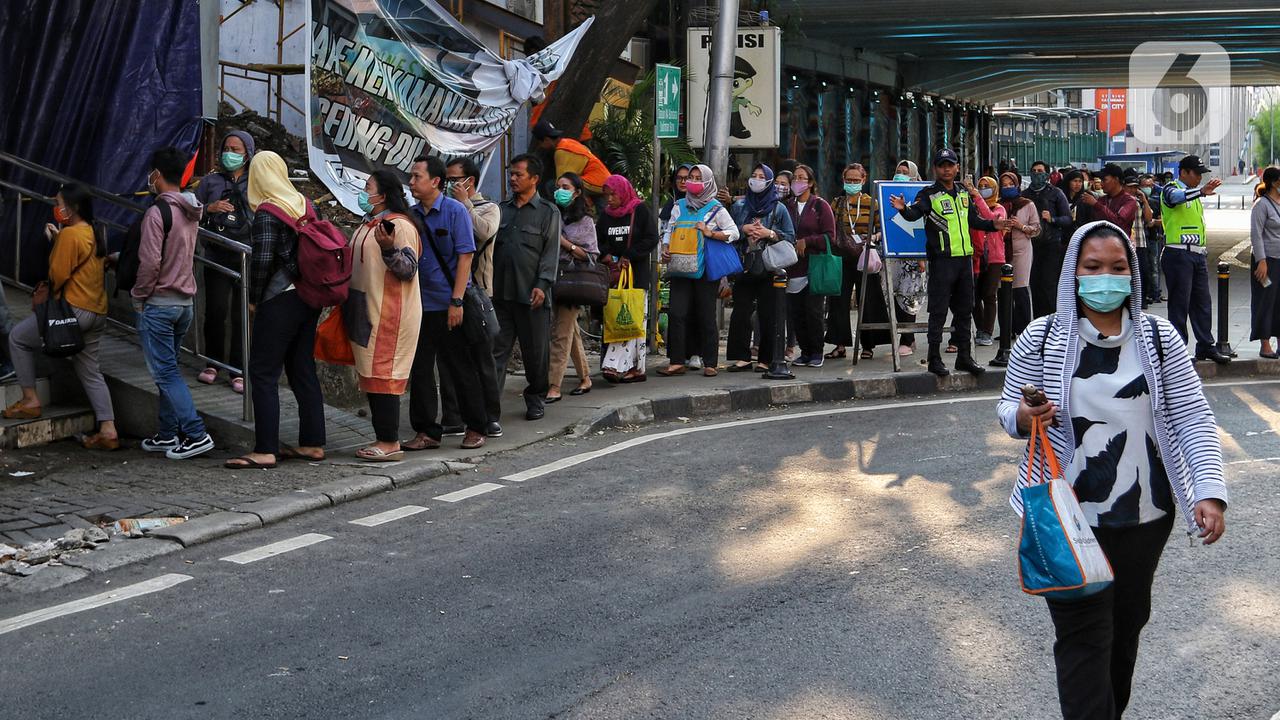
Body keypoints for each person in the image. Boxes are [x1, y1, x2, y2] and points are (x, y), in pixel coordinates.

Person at [997, 220, 1227, 720]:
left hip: (1145, 517)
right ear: (1073, 274)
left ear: (1133, 273)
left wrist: (1209, 489)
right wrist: (1022, 415)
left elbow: (1192, 415)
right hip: (1067, 517)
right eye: (1093, 267)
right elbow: (1007, 411)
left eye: (1118, 267)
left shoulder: (1159, 338)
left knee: (1124, 634)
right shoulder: (1040, 339)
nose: (1106, 277)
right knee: (1083, 638)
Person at [224, 151, 325, 469]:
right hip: (309, 295)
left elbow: (263, 260)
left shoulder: (268, 210)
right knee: (302, 368)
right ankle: (312, 443)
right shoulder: (305, 204)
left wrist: (254, 299)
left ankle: (265, 448)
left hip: (280, 297)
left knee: (262, 372)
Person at [3, 184, 118, 450]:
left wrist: (56, 243)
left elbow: (57, 275)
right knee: (90, 371)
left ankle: (30, 399)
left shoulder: (70, 235)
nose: (58, 208)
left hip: (71, 311)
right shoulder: (94, 231)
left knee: (18, 338)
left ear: (72, 207)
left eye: (60, 203)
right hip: (96, 311)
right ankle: (108, 428)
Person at [891, 148, 1009, 376]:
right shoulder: (928, 194)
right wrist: (904, 209)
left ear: (957, 168)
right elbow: (915, 214)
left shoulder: (964, 194)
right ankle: (934, 358)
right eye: (942, 165)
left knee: (965, 311)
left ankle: (964, 357)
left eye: (950, 165)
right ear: (935, 169)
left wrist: (994, 225)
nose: (946, 169)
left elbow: (974, 220)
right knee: (938, 312)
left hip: (965, 261)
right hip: (942, 262)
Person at [131, 147, 216, 460]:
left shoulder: (157, 213)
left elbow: (150, 262)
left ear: (156, 174)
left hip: (160, 302)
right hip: (185, 302)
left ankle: (195, 433)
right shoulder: (191, 208)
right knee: (170, 369)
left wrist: (139, 295)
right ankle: (167, 433)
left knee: (165, 373)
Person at [400, 155, 489, 450]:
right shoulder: (411, 216)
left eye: (417, 177)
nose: (412, 182)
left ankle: (476, 426)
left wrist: (457, 301)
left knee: (460, 367)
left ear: (435, 182)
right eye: (411, 177)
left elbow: (466, 256)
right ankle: (426, 431)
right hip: (419, 306)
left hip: (449, 304)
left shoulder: (454, 212)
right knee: (422, 369)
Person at [347, 170, 421, 461]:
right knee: (372, 374)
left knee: (385, 374)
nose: (364, 191)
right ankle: (383, 437)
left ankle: (390, 442)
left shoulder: (399, 226)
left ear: (383, 194)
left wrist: (389, 249)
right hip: (365, 307)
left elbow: (408, 269)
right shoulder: (369, 224)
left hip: (391, 311)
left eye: (368, 187)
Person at [492, 153, 562, 420]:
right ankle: (490, 408)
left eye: (518, 174)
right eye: (511, 174)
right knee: (496, 352)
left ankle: (535, 397)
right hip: (501, 295)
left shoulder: (547, 213)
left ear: (534, 179)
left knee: (536, 355)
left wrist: (543, 285)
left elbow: (550, 252)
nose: (512, 179)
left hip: (532, 296)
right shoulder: (502, 210)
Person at [441, 158, 504, 438]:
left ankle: (491, 417)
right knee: (449, 359)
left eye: (455, 179)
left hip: (477, 293)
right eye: (447, 180)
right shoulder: (442, 209)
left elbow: (484, 232)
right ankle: (454, 417)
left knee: (482, 359)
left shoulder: (488, 208)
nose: (450, 185)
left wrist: (465, 204)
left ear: (470, 182)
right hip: (447, 291)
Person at [660, 164, 739, 377]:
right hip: (679, 268)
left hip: (704, 270)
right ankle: (677, 361)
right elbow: (670, 230)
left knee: (706, 316)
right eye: (691, 177)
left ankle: (710, 362)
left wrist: (711, 233)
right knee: (676, 313)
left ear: (707, 182)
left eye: (697, 178)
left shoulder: (716, 209)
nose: (692, 181)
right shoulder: (678, 206)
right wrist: (665, 248)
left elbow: (734, 233)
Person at [193, 130, 254, 393]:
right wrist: (210, 208)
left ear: (248, 154)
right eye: (226, 148)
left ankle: (237, 369)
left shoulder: (257, 182)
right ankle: (212, 363)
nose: (230, 153)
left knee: (241, 314)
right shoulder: (210, 182)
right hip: (216, 253)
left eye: (236, 150)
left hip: (245, 256)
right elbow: (191, 209)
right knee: (215, 311)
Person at [1160, 155, 1230, 364]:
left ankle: (1205, 346)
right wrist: (1200, 191)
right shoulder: (1171, 189)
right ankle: (1178, 351)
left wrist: (1199, 193)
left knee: (1202, 303)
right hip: (1178, 254)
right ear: (1183, 172)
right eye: (1196, 173)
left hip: (1197, 255)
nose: (1200, 177)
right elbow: (1175, 198)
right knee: (1179, 305)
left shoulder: (1195, 196)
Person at [726, 164, 795, 372]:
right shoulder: (740, 207)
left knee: (768, 314)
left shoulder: (779, 208)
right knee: (741, 312)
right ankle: (742, 357)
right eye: (754, 175)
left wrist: (769, 233)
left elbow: (790, 237)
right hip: (744, 266)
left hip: (769, 267)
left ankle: (766, 358)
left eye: (761, 176)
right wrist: (742, 229)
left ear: (769, 182)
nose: (756, 179)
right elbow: (728, 234)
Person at [597, 173, 659, 382]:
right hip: (613, 274)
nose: (610, 199)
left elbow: (651, 238)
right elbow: (599, 240)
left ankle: (617, 366)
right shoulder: (606, 215)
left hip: (636, 274)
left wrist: (629, 255)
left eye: (613, 194)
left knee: (632, 317)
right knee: (616, 317)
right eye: (607, 195)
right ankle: (630, 367)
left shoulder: (639, 210)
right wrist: (608, 255)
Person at [827, 164, 887, 359]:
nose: (852, 183)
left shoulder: (873, 203)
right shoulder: (837, 202)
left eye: (856, 180)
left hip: (865, 255)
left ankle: (868, 345)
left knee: (869, 299)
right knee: (838, 300)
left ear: (863, 180)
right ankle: (839, 344)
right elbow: (830, 228)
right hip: (842, 256)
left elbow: (881, 229)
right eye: (848, 180)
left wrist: (874, 238)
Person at [546, 172, 596, 403]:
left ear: (576, 192)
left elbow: (590, 255)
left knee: (560, 333)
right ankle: (585, 377)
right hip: (549, 279)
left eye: (565, 186)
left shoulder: (585, 222)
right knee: (570, 332)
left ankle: (554, 384)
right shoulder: (552, 214)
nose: (560, 190)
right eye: (558, 186)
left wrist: (564, 243)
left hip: (571, 282)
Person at [784, 164, 836, 367]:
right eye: (795, 177)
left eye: (802, 178)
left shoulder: (820, 206)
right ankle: (804, 351)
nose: (797, 181)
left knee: (813, 311)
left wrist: (809, 241)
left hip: (814, 266)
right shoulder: (786, 206)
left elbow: (830, 237)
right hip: (791, 267)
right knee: (796, 313)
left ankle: (816, 351)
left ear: (811, 183)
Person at [1024, 160, 1072, 317]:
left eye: (1040, 171)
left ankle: (1052, 321)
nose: (1037, 174)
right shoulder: (1025, 195)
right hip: (1030, 246)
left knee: (1049, 285)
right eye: (1034, 170)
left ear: (1046, 174)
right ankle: (1038, 321)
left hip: (1051, 245)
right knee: (1035, 285)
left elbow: (1068, 219)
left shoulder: (1056, 193)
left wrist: (1053, 219)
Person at [890, 160, 928, 357]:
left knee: (910, 297)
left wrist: (921, 256)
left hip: (914, 258)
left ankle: (907, 339)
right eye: (899, 171)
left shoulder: (921, 197)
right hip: (894, 256)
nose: (901, 174)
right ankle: (908, 338)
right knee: (895, 295)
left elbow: (922, 226)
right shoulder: (889, 195)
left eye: (906, 172)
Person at [999, 171, 1041, 336]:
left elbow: (1036, 228)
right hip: (1002, 250)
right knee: (1003, 290)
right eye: (1004, 185)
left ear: (1017, 185)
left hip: (1022, 249)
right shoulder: (998, 204)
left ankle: (1023, 329)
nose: (1008, 187)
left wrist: (1021, 226)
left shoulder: (1027, 204)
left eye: (1011, 184)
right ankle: (1006, 329)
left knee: (1020, 289)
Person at [969, 175, 1008, 346]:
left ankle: (987, 331)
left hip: (994, 258)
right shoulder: (972, 208)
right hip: (975, 256)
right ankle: (980, 328)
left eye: (987, 186)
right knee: (975, 296)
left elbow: (992, 219)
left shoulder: (999, 208)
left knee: (989, 294)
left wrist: (977, 196)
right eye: (981, 186)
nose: (984, 188)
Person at [532, 119, 611, 196]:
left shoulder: (562, 151)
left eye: (539, 143)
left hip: (595, 182)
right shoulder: (569, 142)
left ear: (546, 140)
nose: (540, 147)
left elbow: (563, 183)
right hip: (604, 181)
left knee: (553, 186)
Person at [1249, 167, 1280, 358]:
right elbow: (1256, 234)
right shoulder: (1261, 204)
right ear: (1274, 183)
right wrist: (1261, 261)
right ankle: (1265, 344)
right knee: (1265, 301)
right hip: (1266, 261)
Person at [1124, 169, 1157, 310]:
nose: (1133, 189)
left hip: (1140, 241)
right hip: (1126, 242)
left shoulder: (1140, 201)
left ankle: (1141, 299)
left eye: (1135, 187)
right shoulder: (1122, 200)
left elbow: (1149, 219)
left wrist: (1144, 200)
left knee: (1143, 272)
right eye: (1130, 187)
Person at [1139, 174, 1165, 304]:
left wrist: (1154, 222)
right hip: (1139, 239)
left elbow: (1163, 220)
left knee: (1154, 265)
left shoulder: (1155, 201)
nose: (1148, 188)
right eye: (1145, 186)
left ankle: (1155, 292)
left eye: (1150, 186)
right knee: (1144, 267)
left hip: (1153, 237)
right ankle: (1146, 293)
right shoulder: (1134, 201)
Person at [1060, 169, 1093, 238]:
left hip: (1080, 234)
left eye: (1080, 181)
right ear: (1068, 182)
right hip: (1063, 234)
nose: (1077, 184)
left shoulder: (1086, 197)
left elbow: (1090, 218)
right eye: (1075, 181)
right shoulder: (1061, 196)